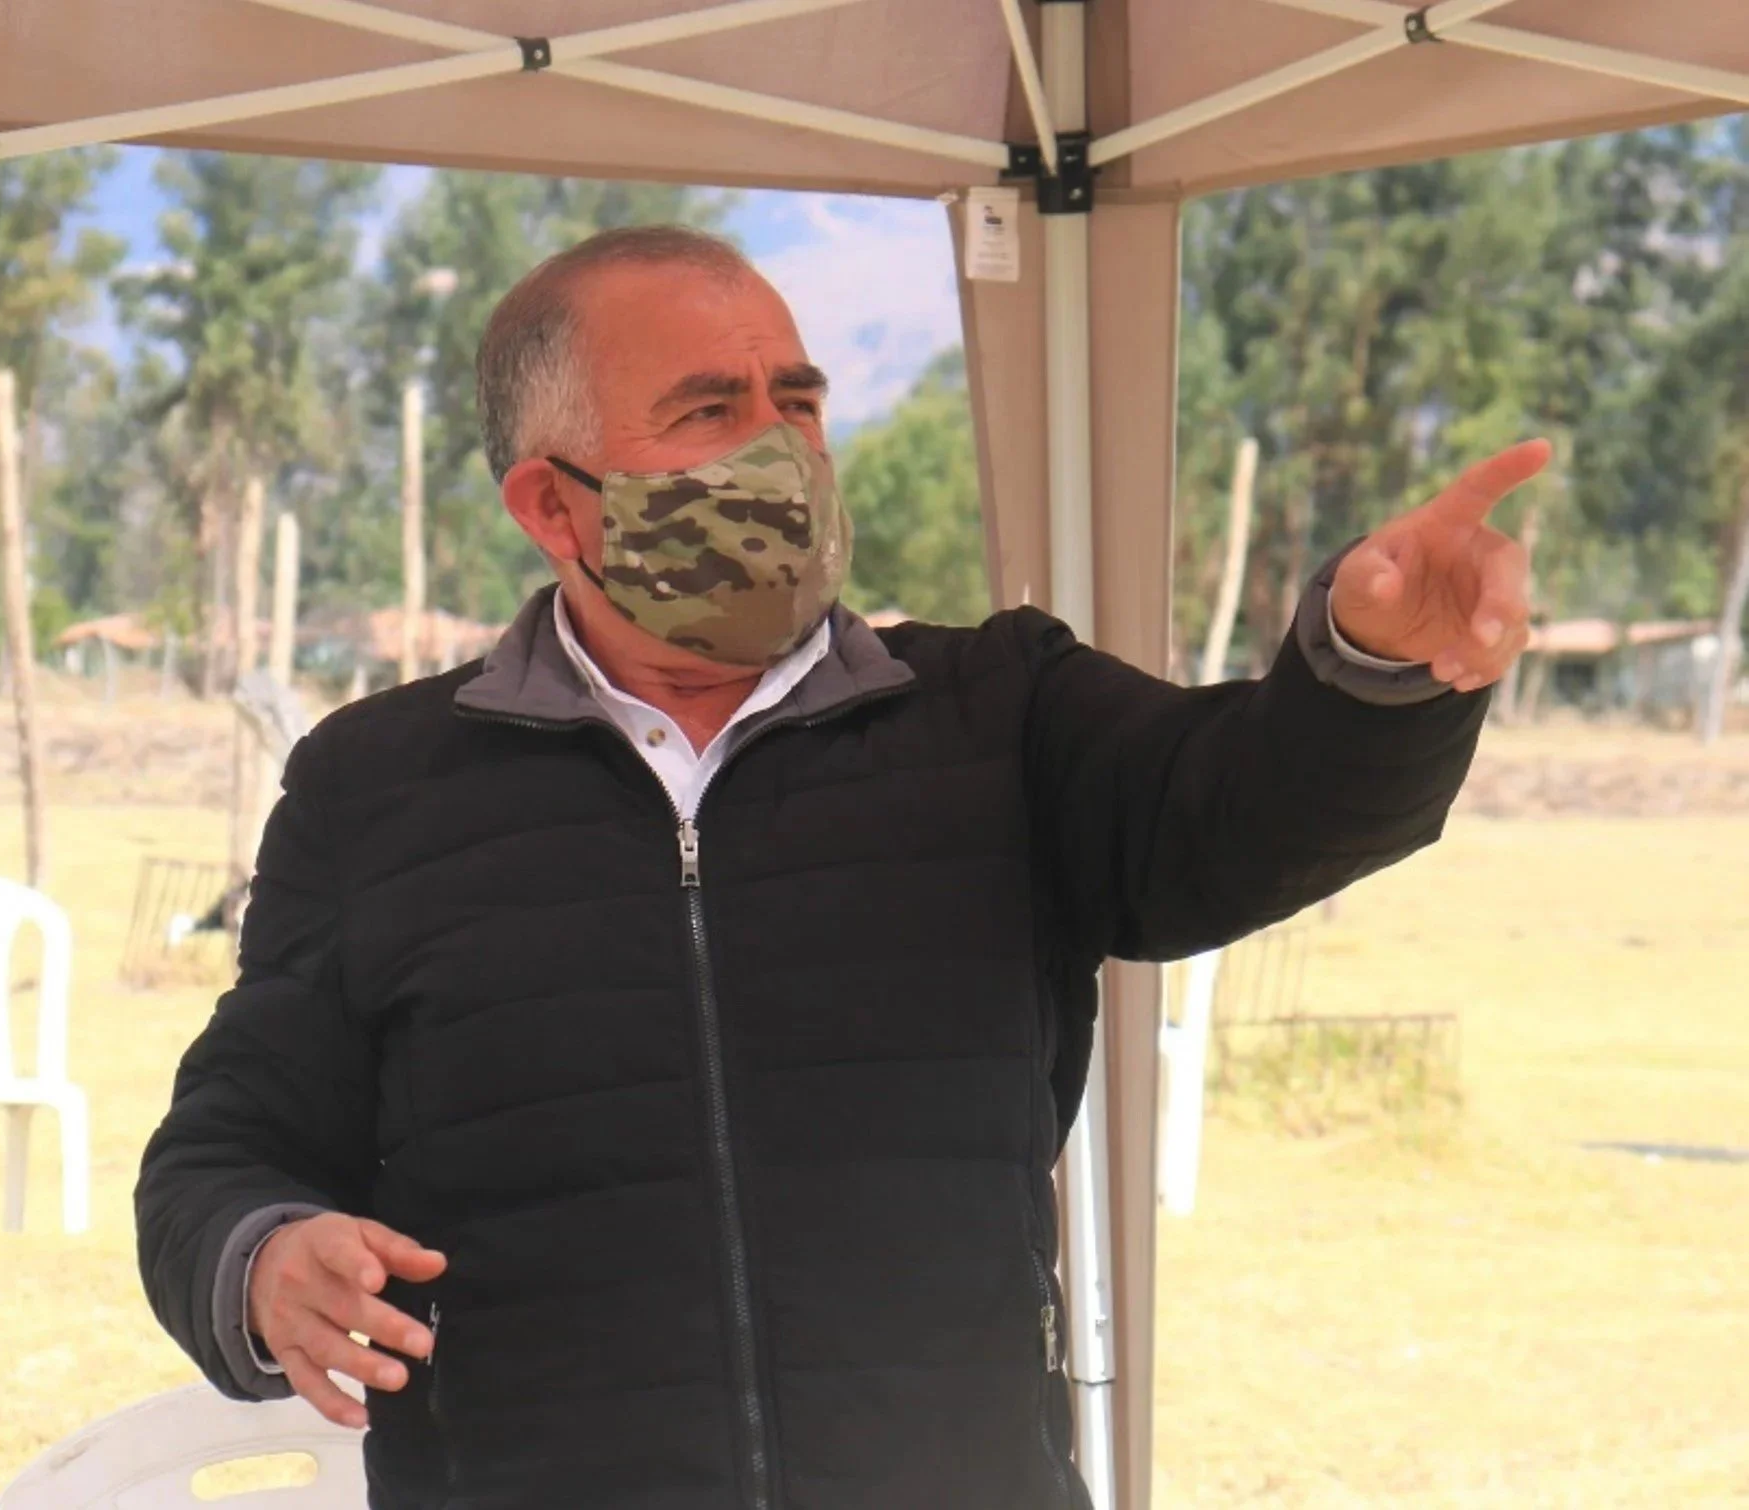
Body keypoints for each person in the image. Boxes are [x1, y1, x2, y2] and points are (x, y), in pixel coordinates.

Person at [136, 226, 1541, 1510]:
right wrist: (262, 1257)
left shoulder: (998, 717)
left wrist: (1371, 675)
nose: (781, 446)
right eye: (709, 409)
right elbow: (221, 1149)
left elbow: (1239, 809)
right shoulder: (377, 786)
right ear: (552, 509)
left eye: (796, 400)